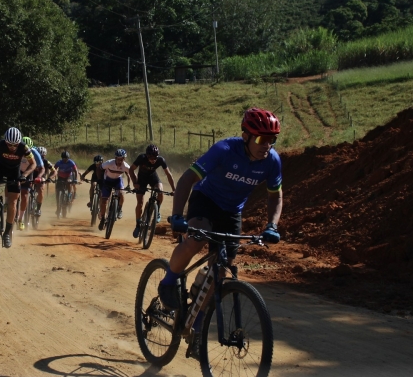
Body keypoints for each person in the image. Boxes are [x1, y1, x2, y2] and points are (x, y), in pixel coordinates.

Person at [159, 108, 283, 358]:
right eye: (261, 139)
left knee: (223, 269)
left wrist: (272, 225)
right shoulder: (224, 149)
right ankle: (169, 281)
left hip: (231, 212)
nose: (266, 145)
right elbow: (187, 179)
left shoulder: (272, 161)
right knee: (197, 238)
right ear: (246, 135)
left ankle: (196, 325)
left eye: (272, 139)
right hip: (206, 200)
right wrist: (178, 216)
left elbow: (275, 196)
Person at [130, 144, 176, 238]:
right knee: (140, 203)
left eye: (155, 157)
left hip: (152, 177)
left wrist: (174, 189)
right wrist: (135, 183)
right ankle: (138, 224)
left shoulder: (161, 160)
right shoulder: (141, 158)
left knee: (160, 190)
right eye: (151, 158)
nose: (153, 160)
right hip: (142, 179)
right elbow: (131, 170)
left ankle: (157, 209)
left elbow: (168, 174)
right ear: (147, 156)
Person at [98, 149, 132, 230]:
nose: (120, 161)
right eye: (118, 159)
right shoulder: (109, 163)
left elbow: (131, 175)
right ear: (115, 158)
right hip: (107, 180)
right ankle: (103, 218)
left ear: (124, 159)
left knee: (121, 193)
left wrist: (132, 184)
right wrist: (100, 179)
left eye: (121, 159)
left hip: (117, 180)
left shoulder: (126, 166)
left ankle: (119, 209)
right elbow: (99, 168)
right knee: (104, 201)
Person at [17, 137, 44, 230]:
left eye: (28, 149)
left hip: (28, 173)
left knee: (24, 195)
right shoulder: (16, 150)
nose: (26, 151)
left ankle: (21, 219)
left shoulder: (34, 152)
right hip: (17, 171)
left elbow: (42, 168)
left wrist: (39, 177)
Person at [33, 146, 55, 216]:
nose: (41, 158)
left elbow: (54, 171)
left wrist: (49, 178)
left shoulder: (46, 162)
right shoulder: (32, 160)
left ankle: (38, 209)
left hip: (42, 177)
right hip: (32, 176)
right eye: (39, 155)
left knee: (40, 190)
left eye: (43, 156)